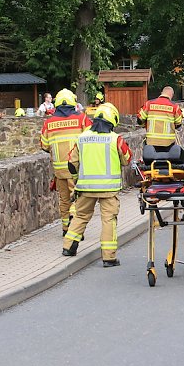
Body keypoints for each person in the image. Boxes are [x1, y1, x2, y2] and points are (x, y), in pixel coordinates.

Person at [62, 102, 132, 266]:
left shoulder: (82, 138)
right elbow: (127, 159)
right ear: (112, 120)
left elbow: (72, 163)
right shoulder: (116, 139)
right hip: (109, 189)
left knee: (80, 216)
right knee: (108, 220)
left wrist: (76, 178)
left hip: (85, 188)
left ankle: (68, 247)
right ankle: (109, 258)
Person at [40, 89, 93, 236]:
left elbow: (44, 145)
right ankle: (76, 229)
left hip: (59, 170)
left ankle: (65, 230)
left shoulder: (49, 123)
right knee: (77, 199)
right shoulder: (82, 119)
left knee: (64, 200)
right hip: (76, 168)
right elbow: (91, 139)